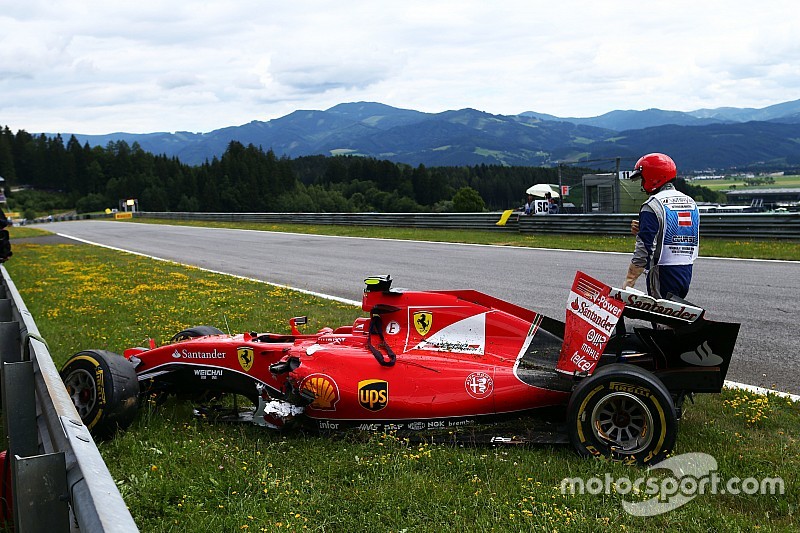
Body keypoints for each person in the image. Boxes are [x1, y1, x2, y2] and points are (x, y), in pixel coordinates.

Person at [623, 153, 698, 299]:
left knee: (661, 318)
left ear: (652, 177)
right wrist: (643, 228)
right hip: (686, 270)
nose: (642, 184)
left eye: (642, 178)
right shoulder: (690, 202)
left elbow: (645, 247)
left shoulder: (652, 205)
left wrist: (629, 281)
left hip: (662, 271)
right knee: (675, 313)